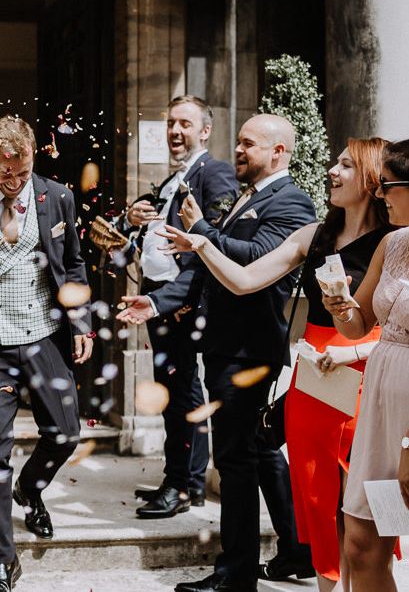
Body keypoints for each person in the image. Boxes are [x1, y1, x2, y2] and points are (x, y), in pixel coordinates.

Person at [163, 138, 393, 590]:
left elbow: (398, 326)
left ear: (370, 180)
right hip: (315, 382)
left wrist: (354, 350)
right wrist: (203, 245)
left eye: (344, 165)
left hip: (374, 381)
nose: (331, 170)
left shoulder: (394, 242)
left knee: (375, 518)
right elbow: (247, 280)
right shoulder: (315, 235)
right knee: (320, 505)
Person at [118, 114, 316, 592]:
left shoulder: (292, 202)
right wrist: (158, 301)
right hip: (226, 344)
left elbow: (251, 262)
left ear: (279, 152)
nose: (239, 150)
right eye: (240, 142)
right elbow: (207, 269)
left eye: (249, 144)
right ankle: (295, 551)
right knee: (256, 451)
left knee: (234, 461)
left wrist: (203, 229)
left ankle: (236, 573)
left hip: (250, 348)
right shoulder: (247, 197)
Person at [0, 115, 92, 592]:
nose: (14, 180)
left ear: (33, 156)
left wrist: (81, 322)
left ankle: (29, 489)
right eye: (4, 171)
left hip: (44, 334)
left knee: (65, 433)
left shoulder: (60, 198)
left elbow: (72, 264)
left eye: (23, 169)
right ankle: (3, 560)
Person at [119, 96, 237, 519]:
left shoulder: (215, 173)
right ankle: (181, 480)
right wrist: (132, 221)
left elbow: (214, 244)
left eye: (185, 124)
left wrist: (167, 301)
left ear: (205, 130)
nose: (175, 131)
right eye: (171, 123)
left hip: (182, 304)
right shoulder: (173, 180)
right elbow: (153, 241)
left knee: (183, 394)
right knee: (176, 393)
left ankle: (183, 485)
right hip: (163, 305)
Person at [323, 138, 409, 592]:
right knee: (364, 541)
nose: (380, 194)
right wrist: (340, 306)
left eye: (389, 185)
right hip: (381, 408)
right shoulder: (392, 244)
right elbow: (359, 326)